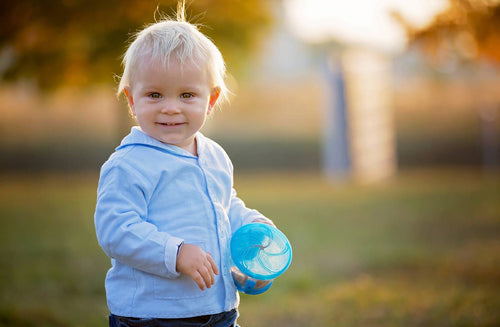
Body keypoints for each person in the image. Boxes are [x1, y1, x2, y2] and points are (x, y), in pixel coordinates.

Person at [94, 3, 274, 327]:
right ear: (132, 101)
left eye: (187, 95)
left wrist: (252, 231)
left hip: (218, 309)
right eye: (154, 95)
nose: (170, 108)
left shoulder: (215, 156)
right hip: (154, 315)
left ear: (212, 100)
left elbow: (225, 206)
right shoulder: (129, 164)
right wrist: (175, 252)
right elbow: (116, 229)